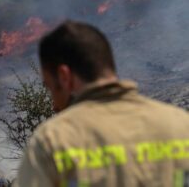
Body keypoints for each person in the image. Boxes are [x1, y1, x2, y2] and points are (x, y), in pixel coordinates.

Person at [13, 21, 189, 187]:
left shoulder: (53, 141)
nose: (54, 105)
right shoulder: (180, 124)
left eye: (50, 88)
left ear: (64, 76)